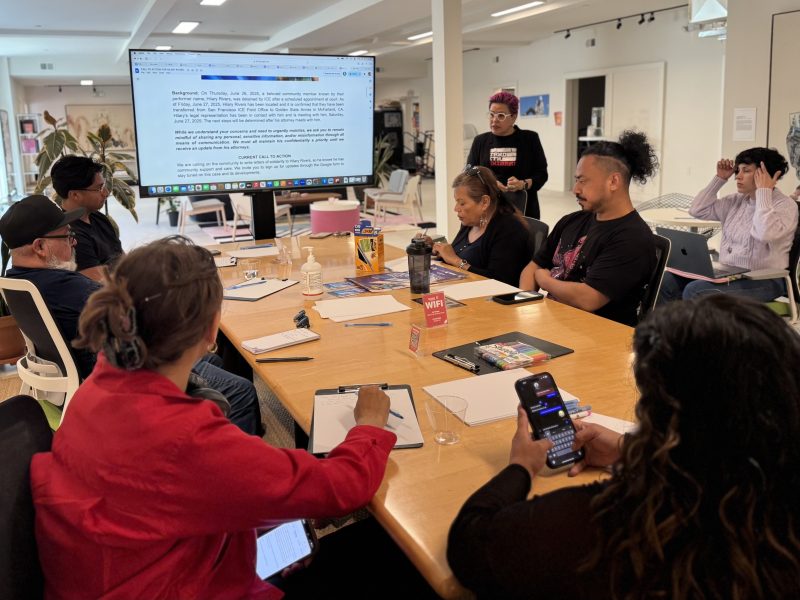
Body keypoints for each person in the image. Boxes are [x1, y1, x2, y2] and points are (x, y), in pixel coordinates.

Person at [29, 236, 436, 599]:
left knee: (294, 534)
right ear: (211, 329)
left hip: (151, 562)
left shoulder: (97, 388)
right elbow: (342, 488)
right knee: (400, 553)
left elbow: (190, 495)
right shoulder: (184, 438)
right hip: (182, 582)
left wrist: (266, 529)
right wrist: (368, 423)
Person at [448, 294, 800, 599]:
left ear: (661, 414)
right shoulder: (771, 513)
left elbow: (471, 543)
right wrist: (630, 449)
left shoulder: (616, 524)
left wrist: (520, 467)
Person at [0, 195, 261, 435]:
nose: (74, 241)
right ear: (40, 247)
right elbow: (141, 318)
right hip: (125, 373)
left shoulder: (16, 280)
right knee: (240, 391)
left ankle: (199, 433)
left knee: (213, 362)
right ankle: (227, 466)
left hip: (85, 374)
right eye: (67, 236)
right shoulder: (67, 287)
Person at [519, 130, 657, 326]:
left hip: (596, 338)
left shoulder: (632, 238)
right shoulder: (572, 221)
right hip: (554, 324)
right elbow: (532, 267)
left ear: (613, 181)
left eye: (582, 181)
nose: (575, 189)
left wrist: (544, 280)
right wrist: (526, 304)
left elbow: (588, 299)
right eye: (576, 180)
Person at [659, 148, 798, 303]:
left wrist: (764, 192)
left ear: (765, 175)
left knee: (696, 290)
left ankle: (691, 328)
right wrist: (719, 179)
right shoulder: (736, 200)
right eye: (738, 170)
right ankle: (660, 327)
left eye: (746, 171)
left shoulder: (786, 206)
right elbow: (697, 210)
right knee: (666, 281)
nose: (738, 176)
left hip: (765, 280)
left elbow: (764, 233)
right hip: (729, 274)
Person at [428, 165, 532, 287]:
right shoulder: (471, 222)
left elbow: (500, 282)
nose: (456, 209)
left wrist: (457, 261)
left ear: (484, 202)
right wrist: (435, 249)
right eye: (457, 202)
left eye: (462, 203)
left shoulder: (510, 230)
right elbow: (456, 254)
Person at [466, 91, 548, 219]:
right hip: (488, 208)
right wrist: (490, 183)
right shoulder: (480, 141)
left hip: (523, 209)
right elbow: (470, 171)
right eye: (491, 115)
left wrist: (523, 184)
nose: (494, 120)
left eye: (501, 116)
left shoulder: (530, 139)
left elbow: (541, 174)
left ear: (513, 117)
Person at [50, 155, 123, 281]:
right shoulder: (70, 234)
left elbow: (122, 258)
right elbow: (99, 282)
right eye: (99, 188)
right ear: (75, 195)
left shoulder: (98, 218)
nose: (106, 192)